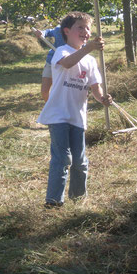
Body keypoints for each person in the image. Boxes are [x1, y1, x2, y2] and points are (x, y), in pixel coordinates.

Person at [37, 11, 112, 207]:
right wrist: (89, 49)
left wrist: (103, 98)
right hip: (58, 116)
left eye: (88, 28)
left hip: (78, 118)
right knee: (62, 158)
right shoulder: (61, 51)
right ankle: (53, 201)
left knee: (79, 161)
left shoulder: (91, 61)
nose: (86, 32)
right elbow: (69, 64)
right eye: (80, 27)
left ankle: (78, 199)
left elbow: (95, 87)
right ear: (67, 31)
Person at [34, 25, 65, 101]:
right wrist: (42, 33)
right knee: (44, 91)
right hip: (52, 62)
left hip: (68, 65)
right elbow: (48, 32)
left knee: (63, 91)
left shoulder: (78, 34)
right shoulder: (59, 30)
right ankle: (51, 108)